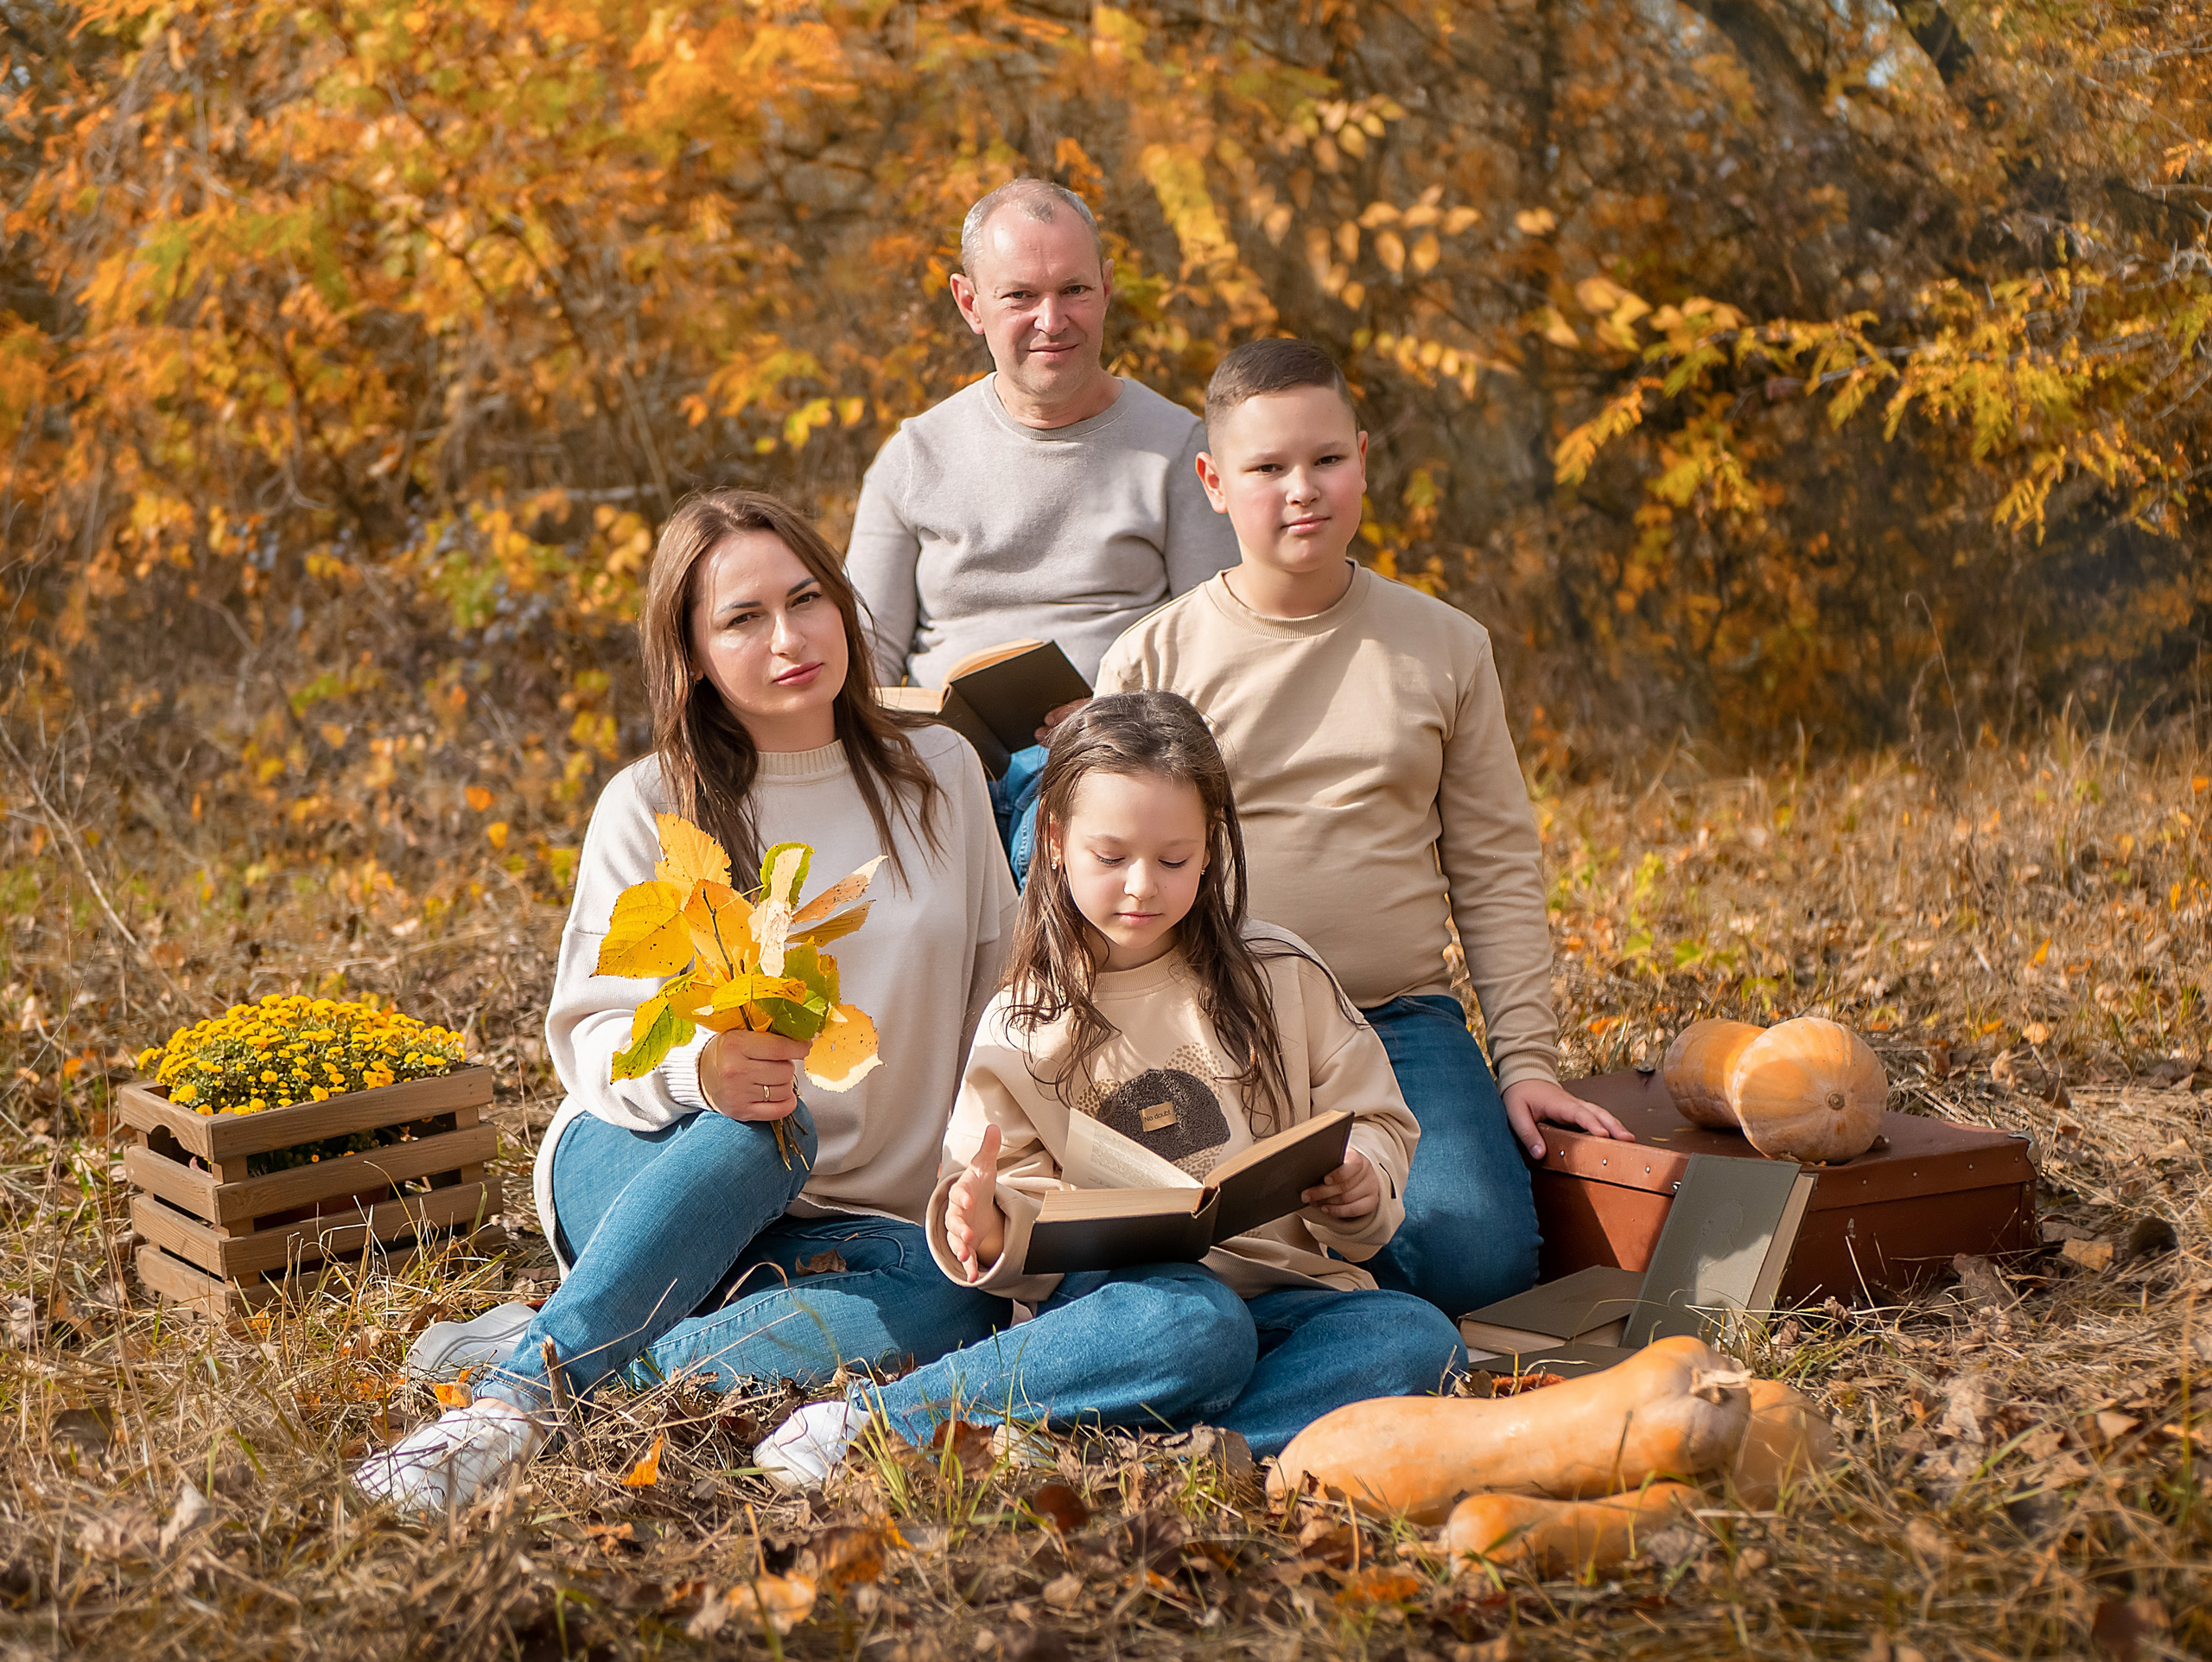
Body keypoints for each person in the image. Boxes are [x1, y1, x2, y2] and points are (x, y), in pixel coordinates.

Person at [356, 490, 1020, 1512]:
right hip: (659, 1160)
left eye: (806, 600)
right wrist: (697, 1071)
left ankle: (586, 1339)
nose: (790, 637)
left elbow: (1001, 995)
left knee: (959, 1309)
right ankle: (504, 1407)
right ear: (695, 654)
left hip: (863, 1216)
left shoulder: (938, 774)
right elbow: (586, 1030)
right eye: (742, 619)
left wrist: (981, 1167)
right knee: (766, 1133)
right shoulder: (651, 801)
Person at [749, 692, 1466, 1485]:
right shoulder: (1024, 1022)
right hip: (1135, 1316)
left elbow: (1374, 1119)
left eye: (1173, 859)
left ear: (1210, 849)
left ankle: (1140, 1456)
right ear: (1054, 842)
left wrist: (1364, 1179)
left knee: (1417, 1337)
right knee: (1199, 1326)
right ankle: (880, 1424)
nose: (1142, 887)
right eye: (1111, 856)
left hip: (1291, 1297)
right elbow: (1001, 1207)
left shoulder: (1280, 974)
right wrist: (983, 1220)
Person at [1093, 339, 1635, 1321]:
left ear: (1364, 460)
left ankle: (1327, 1284)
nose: (1301, 490)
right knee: (1189, 1254)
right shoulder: (1153, 657)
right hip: (1213, 1024)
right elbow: (1105, 885)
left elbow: (1495, 865)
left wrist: (1526, 1065)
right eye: (1265, 468)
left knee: (1480, 1257)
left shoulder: (1443, 645)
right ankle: (1305, 1301)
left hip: (1395, 1022)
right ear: (1215, 483)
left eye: (1325, 459)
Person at [845, 178, 1236, 694]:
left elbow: (1218, 650)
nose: (1051, 322)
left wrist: (1119, 725)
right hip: (944, 760)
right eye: (1020, 296)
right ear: (970, 303)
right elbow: (861, 659)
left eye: (1074, 290)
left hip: (1122, 754)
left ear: (1106, 288)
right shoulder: (914, 459)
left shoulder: (1181, 449)